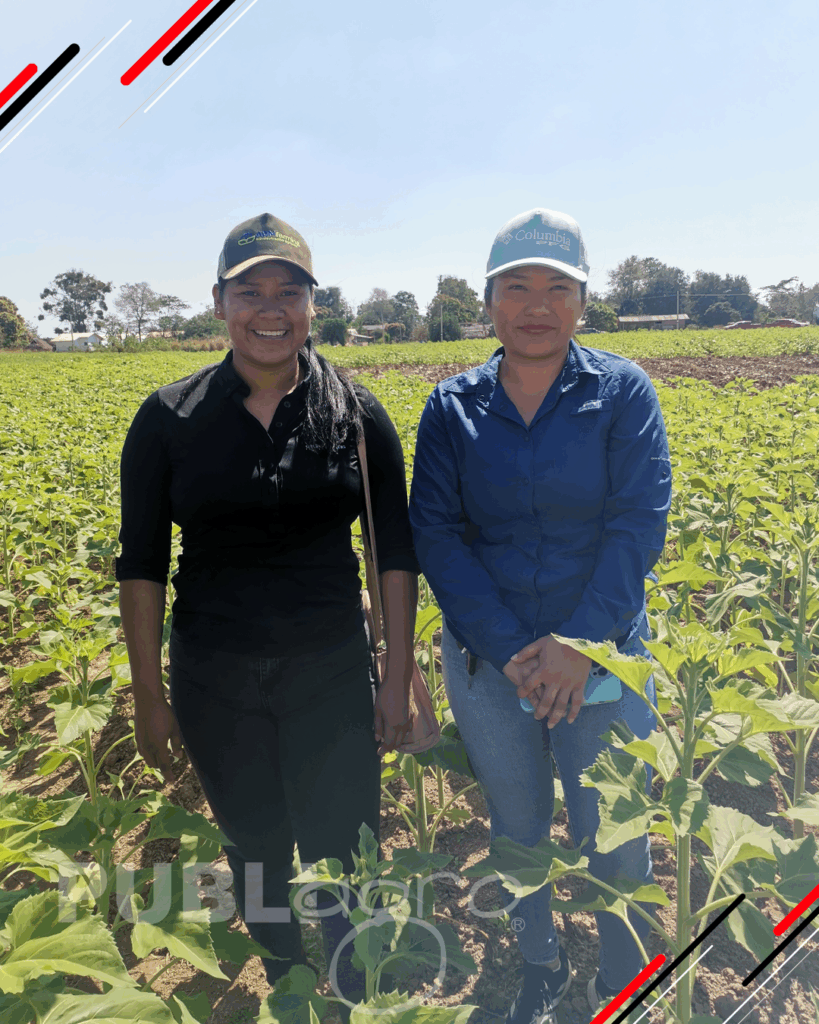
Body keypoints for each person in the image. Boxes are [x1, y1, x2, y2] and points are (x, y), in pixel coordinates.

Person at [116, 213, 419, 1011]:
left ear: (313, 305)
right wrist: (148, 694)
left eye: (289, 291)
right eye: (250, 292)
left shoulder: (355, 413)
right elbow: (141, 564)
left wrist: (397, 677)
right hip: (213, 675)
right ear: (219, 304)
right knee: (254, 847)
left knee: (343, 843)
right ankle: (287, 975)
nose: (270, 309)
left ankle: (352, 986)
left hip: (330, 669)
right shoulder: (169, 417)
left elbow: (392, 553)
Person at [408, 209, 672, 1023]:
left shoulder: (620, 392)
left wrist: (577, 646)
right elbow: (437, 536)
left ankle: (620, 979)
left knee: (615, 831)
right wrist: (514, 651)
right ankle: (540, 964)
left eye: (557, 287)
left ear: (582, 301)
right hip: (492, 666)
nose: (536, 304)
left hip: (602, 659)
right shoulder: (451, 407)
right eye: (516, 286)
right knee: (517, 827)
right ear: (488, 300)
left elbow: (637, 524)